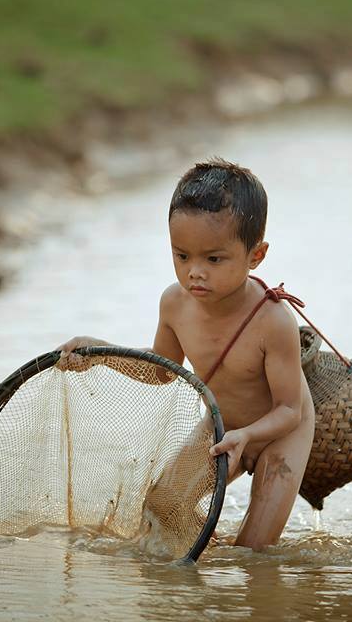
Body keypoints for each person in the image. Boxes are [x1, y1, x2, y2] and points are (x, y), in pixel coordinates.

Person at [57, 158, 314, 551]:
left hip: (280, 431)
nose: (195, 272)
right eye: (182, 256)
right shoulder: (175, 305)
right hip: (223, 426)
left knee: (253, 553)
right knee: (163, 509)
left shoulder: (273, 320)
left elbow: (289, 410)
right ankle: (203, 562)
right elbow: (162, 370)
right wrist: (102, 352)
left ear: (255, 256)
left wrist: (248, 436)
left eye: (214, 259)